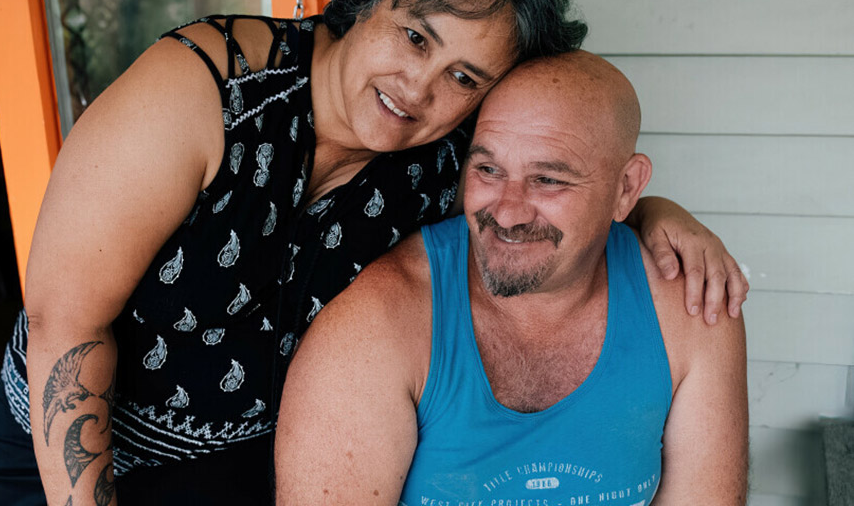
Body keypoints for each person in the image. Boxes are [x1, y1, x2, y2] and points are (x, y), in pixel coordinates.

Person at [0, 0, 747, 504]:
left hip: (248, 464)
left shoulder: (441, 156)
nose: (423, 88)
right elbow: (66, 321)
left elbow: (547, 190)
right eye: (415, 36)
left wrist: (656, 214)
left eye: (466, 77)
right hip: (64, 449)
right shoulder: (207, 88)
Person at [275, 52, 749, 505]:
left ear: (626, 189)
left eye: (548, 180)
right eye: (488, 170)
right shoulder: (374, 327)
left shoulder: (692, 301)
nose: (507, 212)